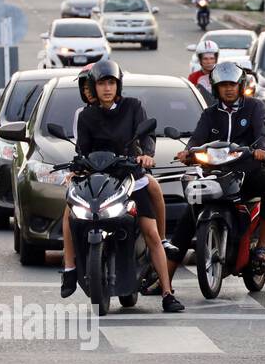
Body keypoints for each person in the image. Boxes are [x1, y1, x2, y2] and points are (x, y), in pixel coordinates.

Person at [62, 61, 185, 312]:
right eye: (101, 83)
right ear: (93, 88)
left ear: (118, 85)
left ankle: (167, 292)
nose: (107, 88)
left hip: (129, 176)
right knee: (69, 212)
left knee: (149, 230)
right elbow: (82, 149)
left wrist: (146, 155)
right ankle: (70, 269)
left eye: (111, 83)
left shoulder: (133, 107)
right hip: (98, 178)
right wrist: (75, 169)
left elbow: (146, 136)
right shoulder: (86, 116)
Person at [166, 61, 265, 270]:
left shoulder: (254, 107)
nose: (228, 89)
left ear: (240, 85)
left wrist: (262, 150)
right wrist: (188, 152)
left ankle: (263, 244)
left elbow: (263, 134)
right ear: (215, 88)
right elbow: (197, 139)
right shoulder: (210, 114)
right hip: (213, 174)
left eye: (232, 84)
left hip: (246, 172)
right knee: (190, 212)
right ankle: (165, 277)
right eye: (223, 85)